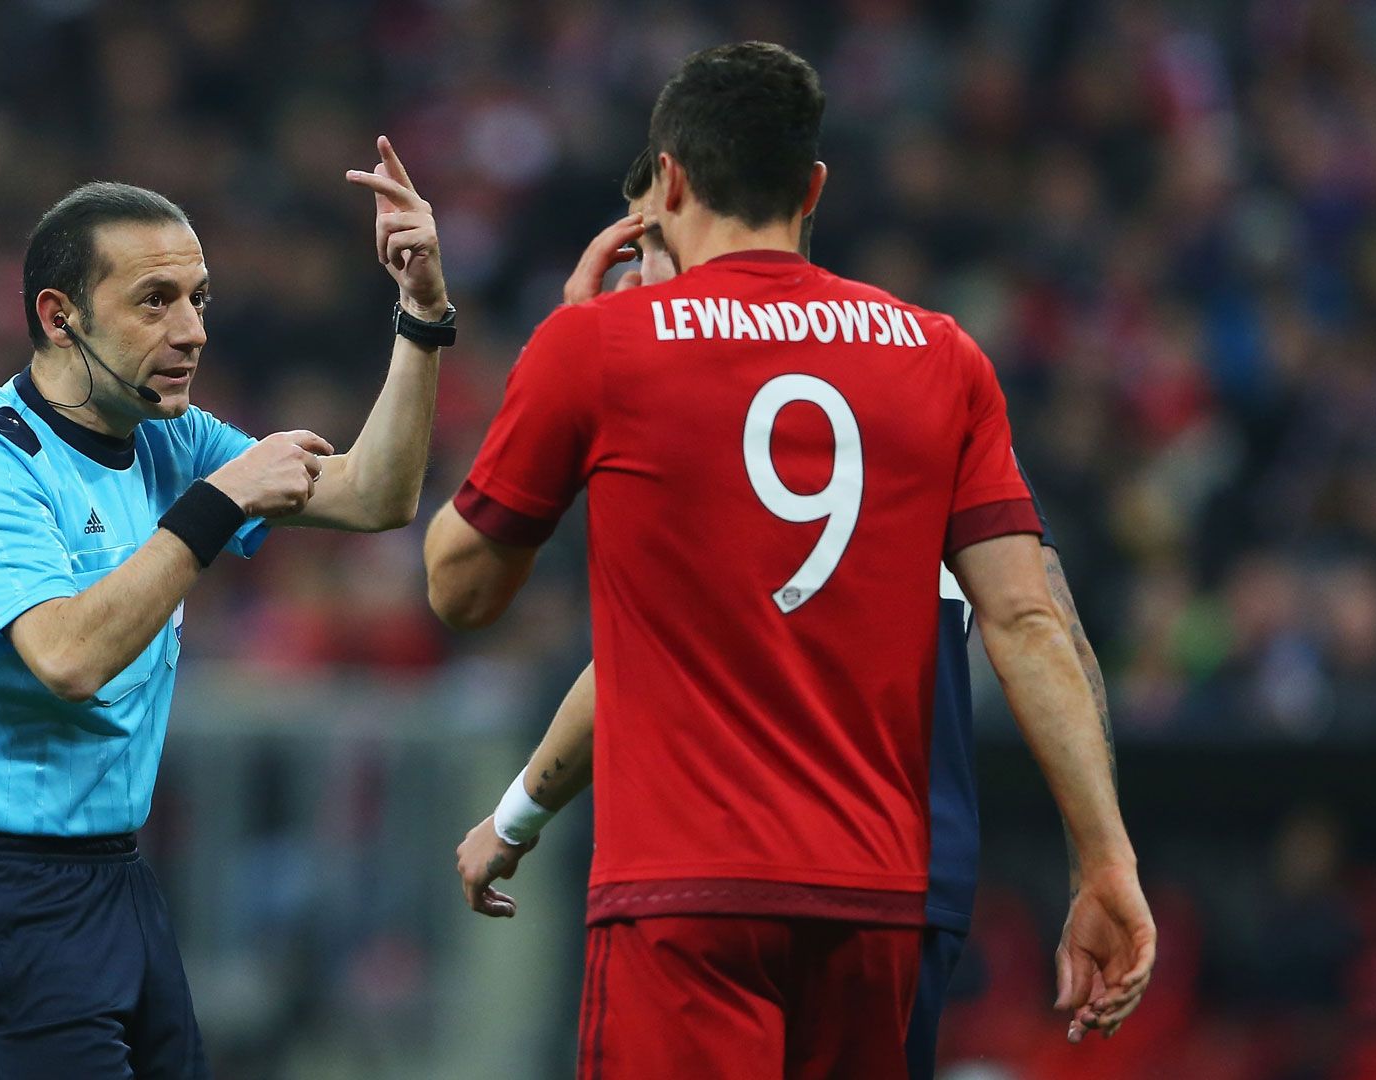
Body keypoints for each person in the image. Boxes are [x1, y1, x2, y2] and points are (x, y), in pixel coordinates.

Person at [423, 43, 1154, 1079]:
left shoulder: (601, 348)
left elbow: (460, 589)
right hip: (876, 908)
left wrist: (560, 350)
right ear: (812, 189)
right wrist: (1105, 856)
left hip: (682, 898)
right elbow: (1029, 622)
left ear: (667, 180)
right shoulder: (940, 357)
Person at [0, 137, 451, 1078]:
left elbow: (376, 497)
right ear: (59, 317)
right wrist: (220, 500)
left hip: (112, 874)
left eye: (198, 299)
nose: (191, 330)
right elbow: (68, 658)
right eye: (155, 302)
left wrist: (422, 312)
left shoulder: (169, 437)